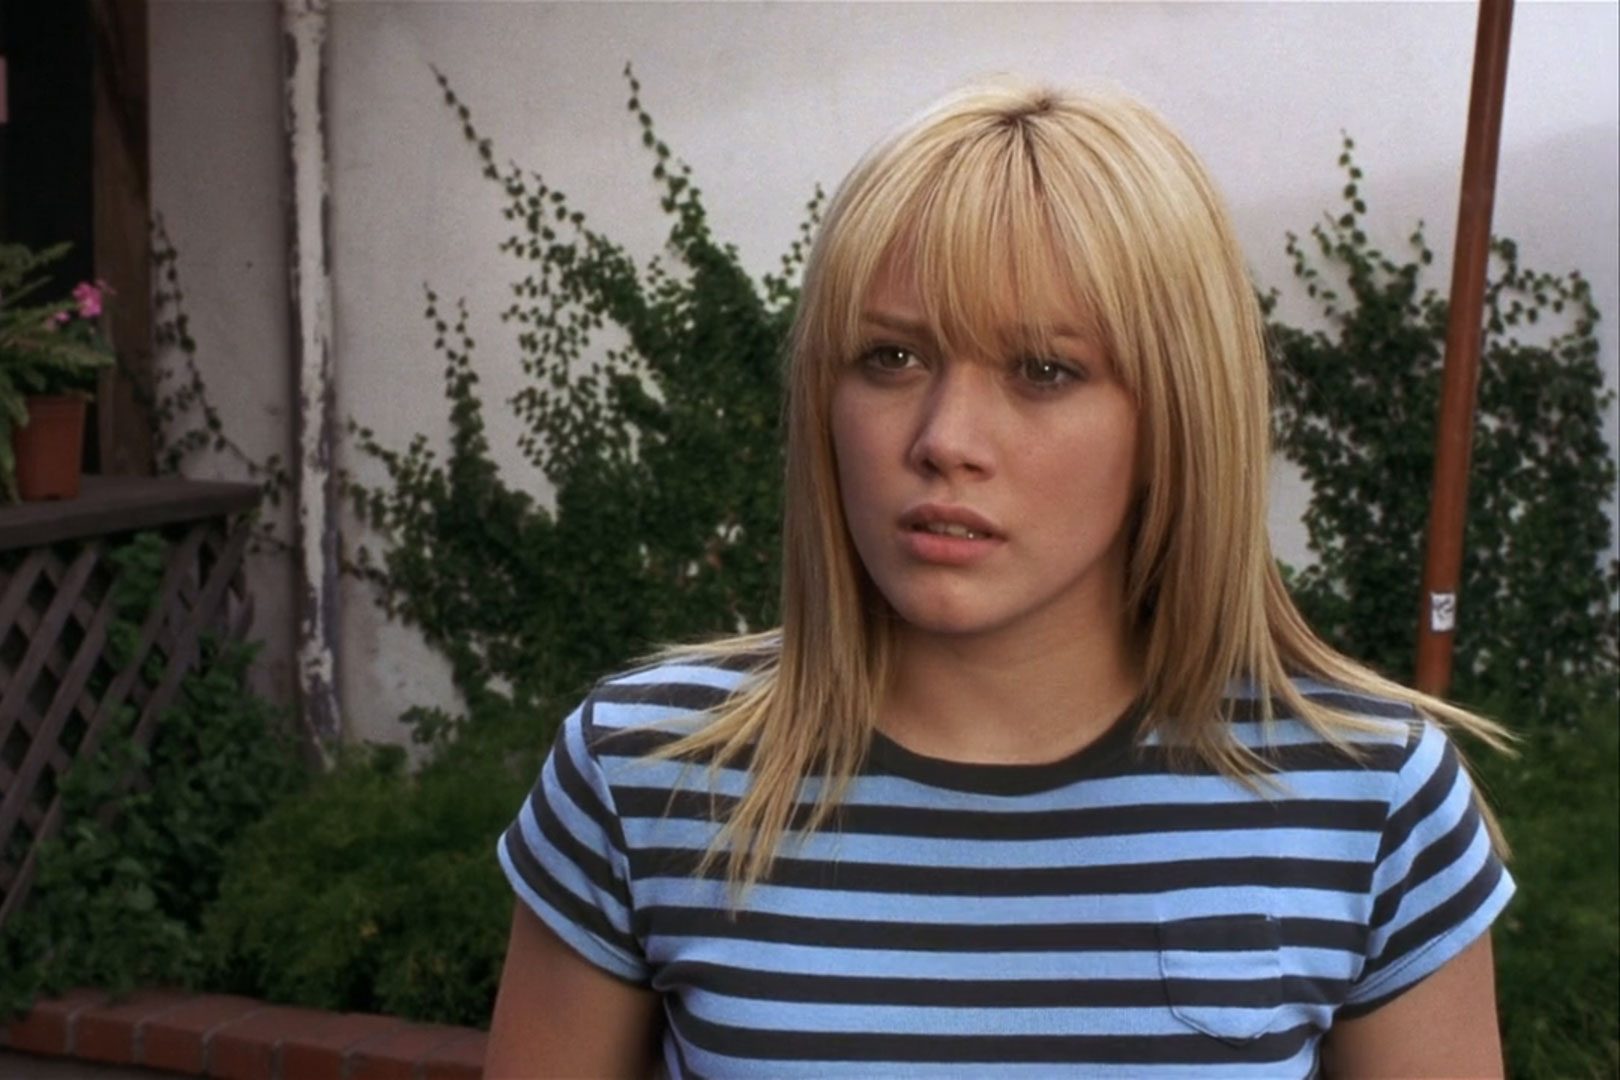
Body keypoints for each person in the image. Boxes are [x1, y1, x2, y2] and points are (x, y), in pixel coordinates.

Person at [484, 78, 1514, 1079]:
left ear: (1178, 415)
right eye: (890, 357)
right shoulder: (646, 777)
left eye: (1044, 370)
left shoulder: (1367, 800)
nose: (946, 440)